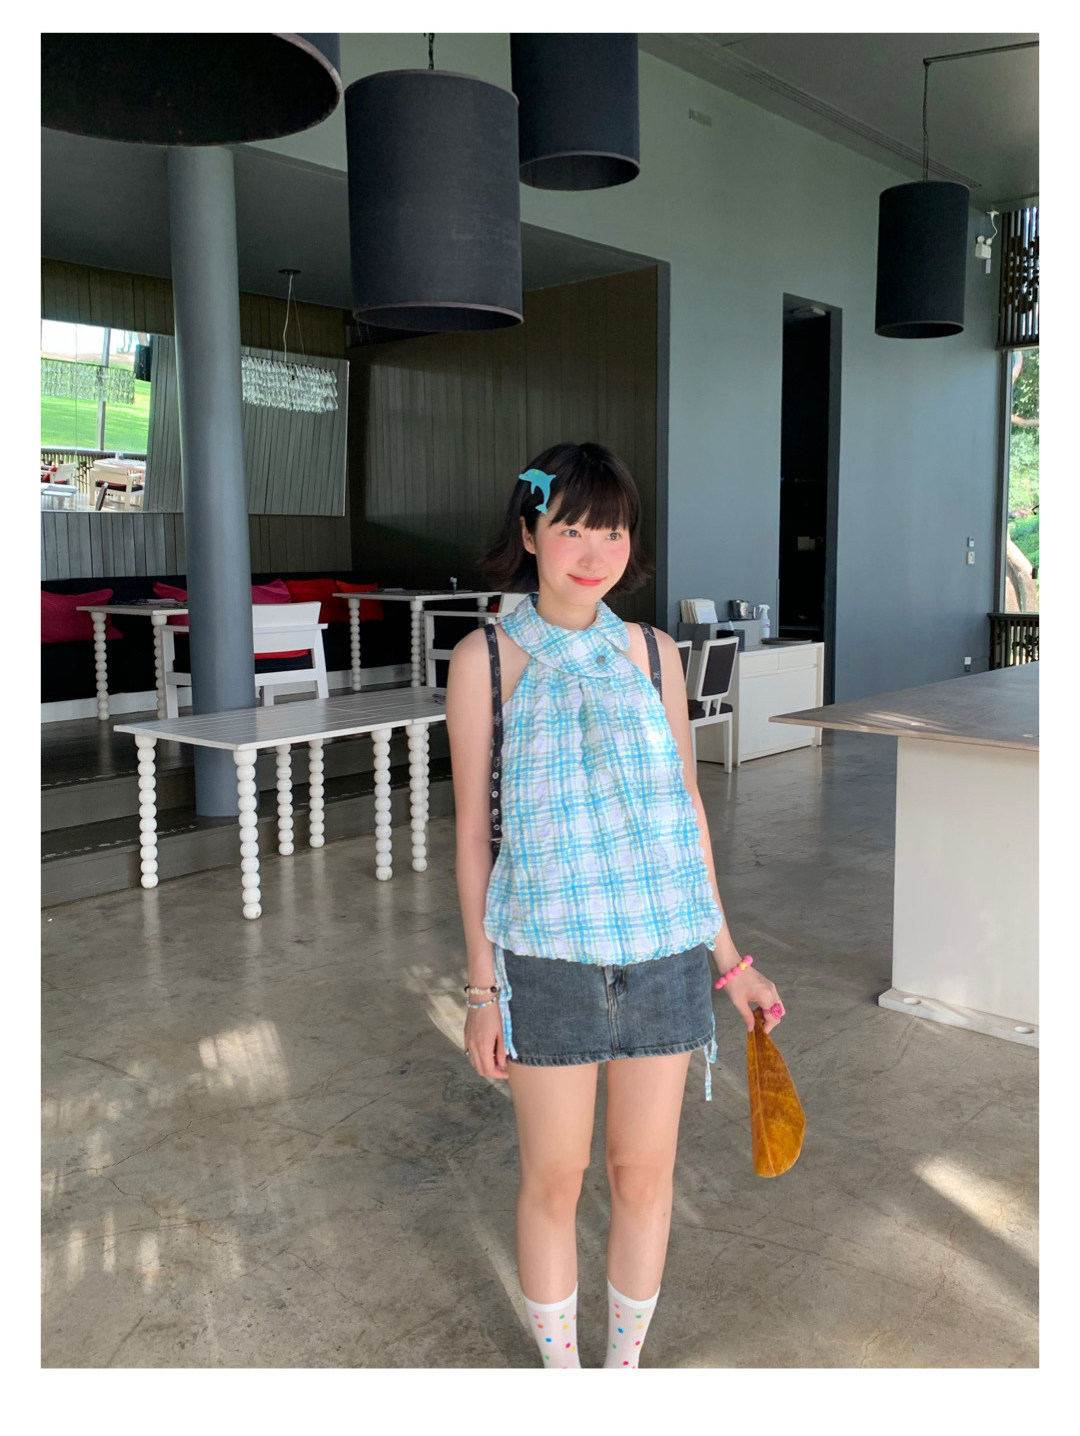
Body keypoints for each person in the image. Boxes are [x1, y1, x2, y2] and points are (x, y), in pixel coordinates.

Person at [445, 441, 786, 1369]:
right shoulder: (486, 658)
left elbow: (686, 815)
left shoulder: (653, 653)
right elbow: (473, 836)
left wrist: (731, 963)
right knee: (555, 1180)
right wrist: (481, 990)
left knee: (643, 1175)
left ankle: (621, 1373)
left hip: (663, 956)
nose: (594, 552)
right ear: (529, 533)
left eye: (614, 530)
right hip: (546, 962)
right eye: (571, 529)